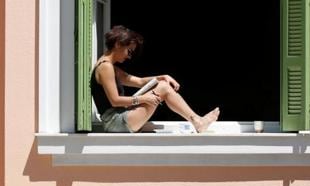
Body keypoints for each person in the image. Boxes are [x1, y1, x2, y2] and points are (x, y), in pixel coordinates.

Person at [91, 25, 219, 133]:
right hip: (115, 122)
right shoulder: (105, 67)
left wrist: (162, 77)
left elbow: (139, 81)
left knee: (162, 84)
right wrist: (144, 99)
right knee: (163, 87)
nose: (129, 56)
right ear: (118, 44)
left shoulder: (110, 67)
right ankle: (198, 121)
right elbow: (115, 101)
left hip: (120, 118)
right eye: (129, 51)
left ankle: (197, 121)